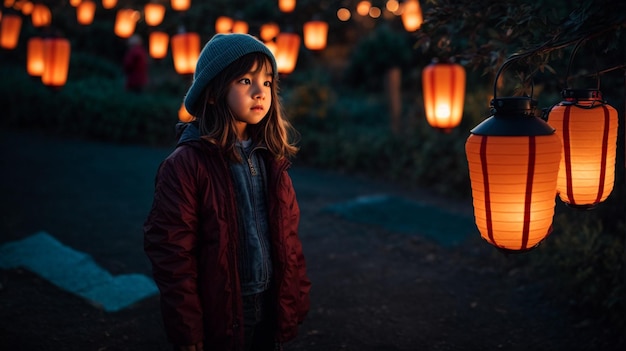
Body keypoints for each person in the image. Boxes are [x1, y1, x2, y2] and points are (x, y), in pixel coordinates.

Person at [143, 33, 311, 351]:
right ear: (212, 93)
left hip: (271, 300)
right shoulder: (187, 164)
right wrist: (187, 324)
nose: (260, 92)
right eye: (245, 80)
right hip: (223, 305)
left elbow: (290, 238)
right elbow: (171, 251)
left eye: (268, 81)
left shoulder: (271, 158)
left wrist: (296, 297)